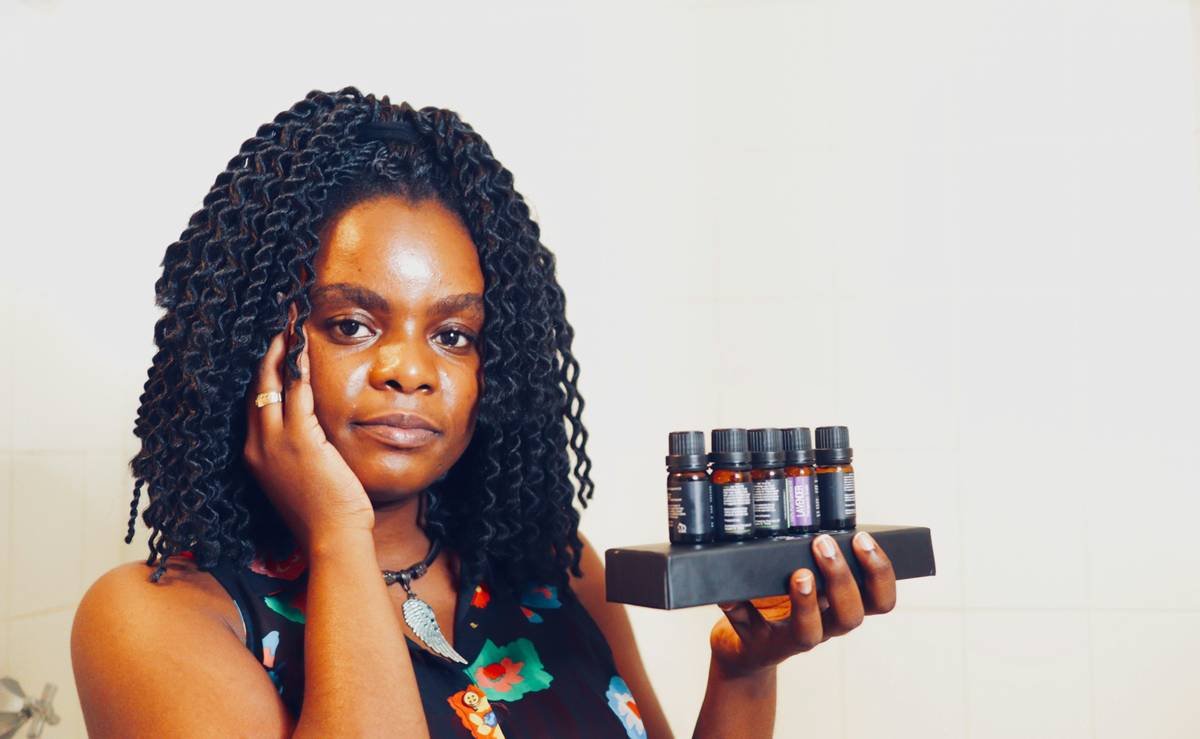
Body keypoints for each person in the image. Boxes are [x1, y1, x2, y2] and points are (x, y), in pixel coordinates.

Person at [69, 87, 898, 738]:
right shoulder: (158, 621)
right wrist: (337, 533)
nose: (410, 370)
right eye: (352, 323)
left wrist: (744, 670)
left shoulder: (553, 571)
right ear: (260, 344)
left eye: (455, 334)